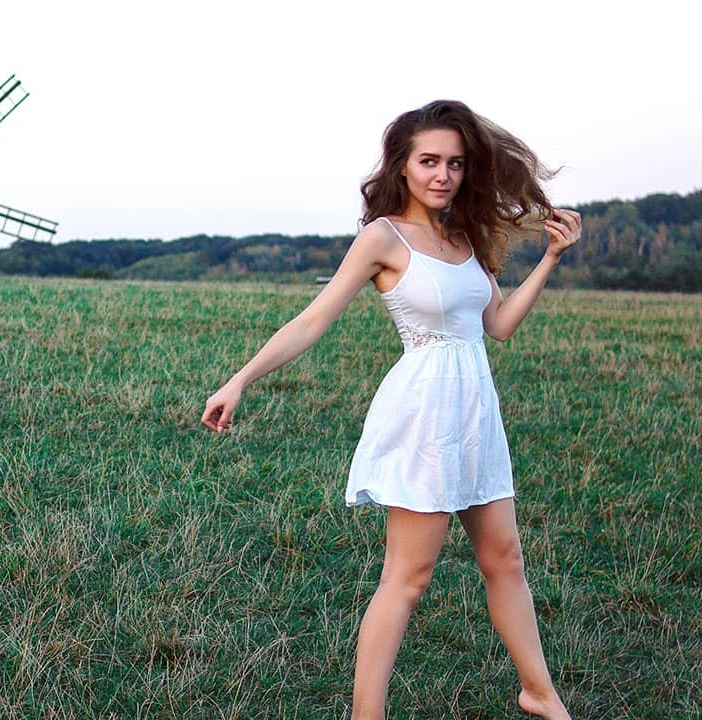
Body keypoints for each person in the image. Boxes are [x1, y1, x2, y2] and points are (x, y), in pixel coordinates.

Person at [201, 100, 579, 720]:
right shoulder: (383, 237)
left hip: (475, 413)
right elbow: (313, 320)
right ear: (402, 165)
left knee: (505, 559)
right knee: (408, 577)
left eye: (455, 163)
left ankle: (539, 693)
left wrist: (550, 260)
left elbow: (498, 325)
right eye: (429, 161)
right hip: (423, 415)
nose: (443, 175)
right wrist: (240, 380)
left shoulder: (466, 237)